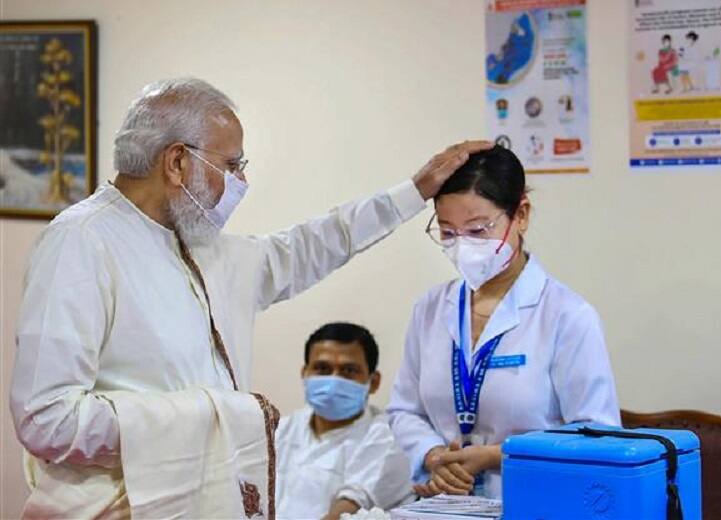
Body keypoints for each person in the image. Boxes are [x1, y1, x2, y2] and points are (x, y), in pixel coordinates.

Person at [9, 77, 491, 517]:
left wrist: (412, 194)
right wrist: (215, 419)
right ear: (177, 162)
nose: (241, 181)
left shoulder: (204, 247)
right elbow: (47, 420)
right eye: (231, 165)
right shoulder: (82, 241)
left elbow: (313, 244)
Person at [387, 145, 619, 500]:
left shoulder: (567, 316)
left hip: (537, 503)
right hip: (447, 506)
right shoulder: (430, 309)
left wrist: (496, 456)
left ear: (521, 214)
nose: (463, 247)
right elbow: (405, 410)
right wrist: (434, 457)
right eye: (448, 233)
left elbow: (597, 436)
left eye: (478, 230)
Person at [275, 322, 412, 519]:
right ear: (304, 373)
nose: (333, 381)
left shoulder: (390, 437)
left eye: (349, 370)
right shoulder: (282, 429)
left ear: (373, 382)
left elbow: (350, 507)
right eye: (322, 368)